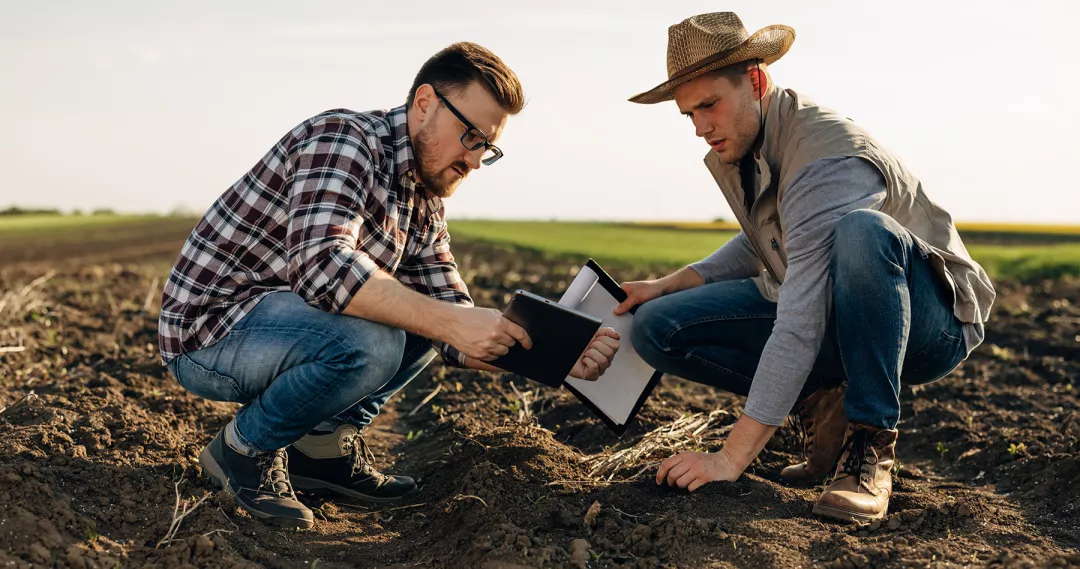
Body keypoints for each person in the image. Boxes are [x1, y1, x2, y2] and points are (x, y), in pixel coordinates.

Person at [158, 42, 620, 529]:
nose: (476, 160)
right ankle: (241, 451)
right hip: (213, 332)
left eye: (488, 146)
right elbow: (322, 266)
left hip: (283, 325)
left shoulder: (424, 199)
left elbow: (450, 313)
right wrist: (452, 323)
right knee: (378, 340)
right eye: (471, 137)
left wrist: (553, 355)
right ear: (425, 103)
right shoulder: (344, 138)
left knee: (424, 322)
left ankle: (320, 451)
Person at [617, 13, 995, 522]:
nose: (701, 127)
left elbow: (799, 324)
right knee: (658, 326)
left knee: (863, 233)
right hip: (841, 311)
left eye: (710, 105)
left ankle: (870, 446)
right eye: (689, 114)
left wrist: (731, 458)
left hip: (929, 322)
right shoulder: (752, 138)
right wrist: (673, 282)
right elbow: (770, 238)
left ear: (755, 79)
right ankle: (823, 401)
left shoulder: (824, 157)